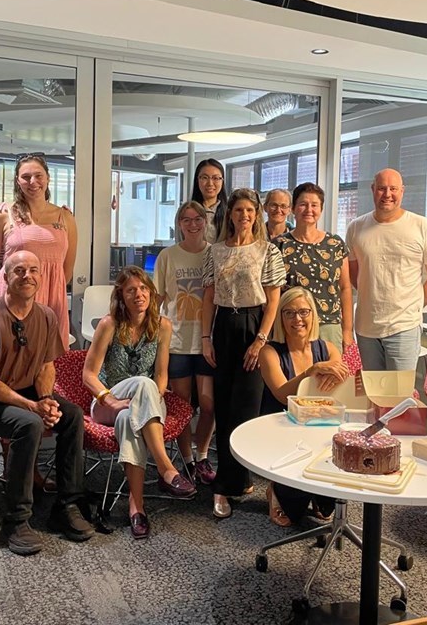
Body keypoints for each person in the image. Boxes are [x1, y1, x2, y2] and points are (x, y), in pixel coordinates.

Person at [0, 250, 93, 555]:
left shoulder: (46, 316)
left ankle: (67, 505)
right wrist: (32, 407)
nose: (27, 276)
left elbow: (46, 366)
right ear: (6, 278)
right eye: (19, 270)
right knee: (29, 423)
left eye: (33, 270)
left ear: (41, 277)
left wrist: (46, 400)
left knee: (71, 415)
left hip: (27, 393)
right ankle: (16, 520)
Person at [83, 266, 197, 540]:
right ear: (121, 295)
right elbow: (88, 375)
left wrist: (152, 400)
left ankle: (137, 506)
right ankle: (165, 467)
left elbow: (161, 375)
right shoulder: (109, 324)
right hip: (108, 402)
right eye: (131, 290)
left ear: (151, 293)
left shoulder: (162, 326)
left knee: (130, 417)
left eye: (144, 288)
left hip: (146, 403)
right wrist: (109, 400)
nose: (139, 294)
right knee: (141, 386)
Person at [202, 188, 285, 519]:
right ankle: (228, 483)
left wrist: (260, 340)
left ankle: (236, 478)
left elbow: (274, 299)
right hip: (223, 326)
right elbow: (208, 297)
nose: (244, 216)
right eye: (239, 210)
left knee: (247, 410)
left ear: (257, 214)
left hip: (254, 327)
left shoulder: (268, 250)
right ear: (230, 214)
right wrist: (206, 338)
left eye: (250, 210)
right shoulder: (216, 251)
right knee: (223, 407)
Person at [258, 288, 348, 525]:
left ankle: (316, 493)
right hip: (283, 428)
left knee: (327, 505)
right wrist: (310, 372)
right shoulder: (269, 352)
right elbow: (282, 395)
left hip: (320, 428)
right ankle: (275, 489)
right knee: (294, 511)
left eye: (303, 312)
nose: (297, 319)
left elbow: (338, 395)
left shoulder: (329, 349)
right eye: (289, 313)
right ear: (280, 317)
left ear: (313, 315)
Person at [346, 168, 427, 372]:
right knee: (373, 388)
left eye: (393, 189)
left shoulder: (421, 225)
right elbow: (353, 274)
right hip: (366, 327)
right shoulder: (356, 227)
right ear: (373, 189)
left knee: (399, 390)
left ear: (402, 191)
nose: (387, 194)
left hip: (404, 326)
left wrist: (412, 306)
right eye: (382, 188)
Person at [0, 154, 77, 349]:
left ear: (48, 178)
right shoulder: (2, 215)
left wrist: (51, 286)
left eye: (38, 176)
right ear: (18, 181)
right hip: (13, 298)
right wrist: (4, 298)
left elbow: (66, 270)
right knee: (10, 356)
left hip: (52, 297)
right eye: (26, 177)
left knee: (47, 359)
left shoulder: (65, 217)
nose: (33, 182)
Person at [153, 201, 216, 485]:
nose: (192, 224)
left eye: (197, 219)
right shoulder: (168, 256)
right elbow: (157, 298)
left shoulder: (214, 253)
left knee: (208, 405)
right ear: (179, 224)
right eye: (186, 220)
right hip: (177, 342)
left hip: (206, 342)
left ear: (205, 222)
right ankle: (187, 460)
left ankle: (202, 456)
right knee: (182, 408)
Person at [273, 182, 354, 354]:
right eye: (303, 204)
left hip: (328, 325)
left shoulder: (335, 244)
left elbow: (345, 288)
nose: (309, 209)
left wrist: (347, 330)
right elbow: (272, 292)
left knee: (330, 371)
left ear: (321, 209)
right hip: (292, 325)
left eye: (314, 205)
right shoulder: (279, 245)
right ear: (293, 209)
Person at [191, 158, 227, 243]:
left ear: (222, 181)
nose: (210, 183)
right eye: (205, 177)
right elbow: (181, 244)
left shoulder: (230, 212)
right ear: (197, 180)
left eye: (216, 178)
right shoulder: (187, 212)